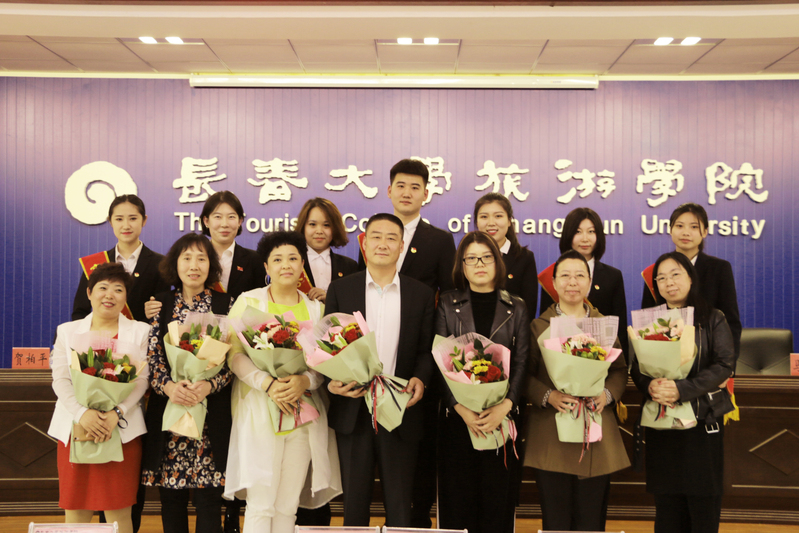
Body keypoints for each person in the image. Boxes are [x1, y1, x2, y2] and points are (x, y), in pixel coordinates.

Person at [356, 158, 455, 527]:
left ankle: (416, 520)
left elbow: (448, 298)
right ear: (389, 190)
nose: (407, 192)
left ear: (426, 194)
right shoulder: (372, 234)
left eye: (415, 187)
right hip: (367, 372)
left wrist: (427, 368)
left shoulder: (439, 240)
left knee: (415, 458)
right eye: (401, 185)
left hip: (414, 364)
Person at [224, 231, 341, 533]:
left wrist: (306, 380)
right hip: (258, 411)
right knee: (261, 504)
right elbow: (234, 355)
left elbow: (326, 362)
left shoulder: (316, 309)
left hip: (303, 414)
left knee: (288, 506)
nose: (285, 265)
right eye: (277, 259)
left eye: (292, 258)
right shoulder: (249, 301)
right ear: (266, 266)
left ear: (302, 264)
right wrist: (267, 383)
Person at [326, 213, 435, 526]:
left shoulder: (421, 294)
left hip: (400, 408)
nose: (383, 244)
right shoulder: (340, 289)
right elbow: (326, 344)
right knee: (354, 506)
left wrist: (421, 378)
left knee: (400, 506)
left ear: (402, 246)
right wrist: (331, 381)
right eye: (375, 236)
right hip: (353, 407)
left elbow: (426, 349)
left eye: (391, 238)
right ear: (364, 244)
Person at [523, 250, 630, 532]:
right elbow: (524, 375)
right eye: (565, 276)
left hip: (596, 432)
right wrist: (548, 396)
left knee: (591, 520)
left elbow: (619, 370)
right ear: (554, 283)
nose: (572, 282)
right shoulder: (538, 326)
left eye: (580, 275)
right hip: (551, 433)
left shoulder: (604, 325)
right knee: (556, 519)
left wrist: (607, 395)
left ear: (590, 282)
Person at [630, 252, 735, 533]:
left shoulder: (712, 317)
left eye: (675, 274)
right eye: (661, 278)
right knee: (667, 507)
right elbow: (637, 366)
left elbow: (724, 364)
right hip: (662, 423)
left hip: (702, 421)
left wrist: (681, 389)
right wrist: (649, 385)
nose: (669, 283)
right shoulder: (650, 320)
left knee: (703, 506)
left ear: (690, 278)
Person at [435, 231, 530, 533]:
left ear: (498, 262)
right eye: (472, 258)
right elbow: (439, 361)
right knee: (458, 503)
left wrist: (506, 405)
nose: (479, 264)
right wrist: (460, 408)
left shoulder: (517, 306)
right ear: (461, 265)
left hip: (501, 420)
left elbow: (522, 362)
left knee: (496, 504)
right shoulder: (447, 303)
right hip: (458, 421)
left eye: (487, 257)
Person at [142, 233, 233, 533]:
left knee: (210, 500)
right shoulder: (161, 304)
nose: (194, 266)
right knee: (171, 500)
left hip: (210, 416)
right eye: (187, 258)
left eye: (201, 259)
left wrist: (210, 385)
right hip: (171, 414)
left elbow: (234, 359)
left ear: (211, 265)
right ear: (175, 264)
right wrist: (169, 387)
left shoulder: (226, 304)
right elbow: (153, 357)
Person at [49, 263, 150, 533]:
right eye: (103, 288)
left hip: (121, 430)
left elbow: (142, 380)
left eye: (118, 289)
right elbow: (60, 379)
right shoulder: (67, 331)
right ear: (89, 293)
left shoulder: (141, 331)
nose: (110, 295)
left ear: (126, 297)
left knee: (120, 512)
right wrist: (83, 413)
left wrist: (116, 413)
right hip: (75, 429)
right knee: (76, 510)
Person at [641, 203, 741, 355]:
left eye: (694, 227)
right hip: (665, 356)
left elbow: (731, 322)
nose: (686, 232)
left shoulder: (719, 269)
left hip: (710, 357)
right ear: (670, 230)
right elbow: (648, 323)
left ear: (705, 231)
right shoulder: (656, 271)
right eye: (679, 226)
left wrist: (727, 363)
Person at [540, 207, 628, 351]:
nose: (585, 238)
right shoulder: (552, 275)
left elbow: (619, 328)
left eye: (591, 231)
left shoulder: (613, 276)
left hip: (601, 354)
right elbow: (545, 324)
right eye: (578, 232)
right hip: (559, 354)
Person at [72, 194, 168, 323]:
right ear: (110, 221)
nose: (126, 225)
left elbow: (163, 312)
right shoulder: (96, 263)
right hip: (103, 335)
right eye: (119, 219)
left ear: (144, 220)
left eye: (133, 218)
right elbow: (80, 312)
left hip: (144, 334)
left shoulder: (160, 264)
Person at [474, 192, 538, 317]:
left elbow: (528, 309)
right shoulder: (467, 256)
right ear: (477, 222)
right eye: (484, 217)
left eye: (498, 216)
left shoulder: (525, 258)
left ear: (509, 221)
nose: (491, 223)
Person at [295, 197, 358, 304]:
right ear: (303, 227)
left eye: (326, 225)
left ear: (335, 228)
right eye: (312, 224)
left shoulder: (349, 266)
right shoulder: (293, 263)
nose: (319, 231)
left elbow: (355, 303)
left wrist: (330, 299)